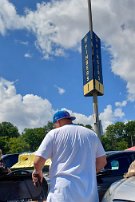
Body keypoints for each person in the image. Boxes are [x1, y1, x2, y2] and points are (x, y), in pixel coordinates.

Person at [32, 110, 107, 202]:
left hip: (62, 194)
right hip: (89, 195)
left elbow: (37, 161)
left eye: (54, 125)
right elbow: (103, 161)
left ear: (58, 122)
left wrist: (38, 171)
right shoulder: (91, 134)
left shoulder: (53, 134)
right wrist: (87, 173)